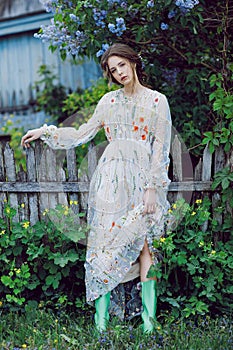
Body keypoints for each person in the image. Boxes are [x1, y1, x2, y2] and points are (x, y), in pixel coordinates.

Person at [21, 43, 172, 333]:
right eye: (113, 70)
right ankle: (100, 325)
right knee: (102, 246)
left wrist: (152, 187)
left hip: (142, 181)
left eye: (122, 66)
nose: (119, 73)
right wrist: (45, 131)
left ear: (133, 63)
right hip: (111, 180)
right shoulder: (108, 102)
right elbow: (81, 133)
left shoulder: (157, 101)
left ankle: (149, 325)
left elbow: (161, 148)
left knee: (144, 247)